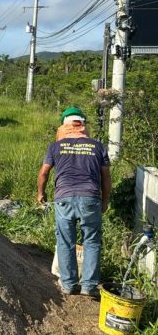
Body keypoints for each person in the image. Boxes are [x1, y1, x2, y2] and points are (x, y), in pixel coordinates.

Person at [37, 107, 111, 298]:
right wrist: (105, 201)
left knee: (65, 241)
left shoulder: (55, 147)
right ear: (83, 126)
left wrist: (40, 194)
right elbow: (106, 178)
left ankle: (69, 285)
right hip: (90, 198)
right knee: (92, 242)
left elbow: (44, 173)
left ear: (65, 126)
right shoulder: (98, 146)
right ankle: (89, 286)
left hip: (64, 198)